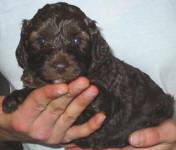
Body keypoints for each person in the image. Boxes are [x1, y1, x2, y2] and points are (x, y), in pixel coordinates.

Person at [0, 0, 176, 150]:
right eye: (41, 41)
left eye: (77, 41)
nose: (59, 62)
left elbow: (97, 111)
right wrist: (6, 126)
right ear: (24, 49)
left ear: (94, 47)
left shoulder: (102, 76)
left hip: (148, 126)